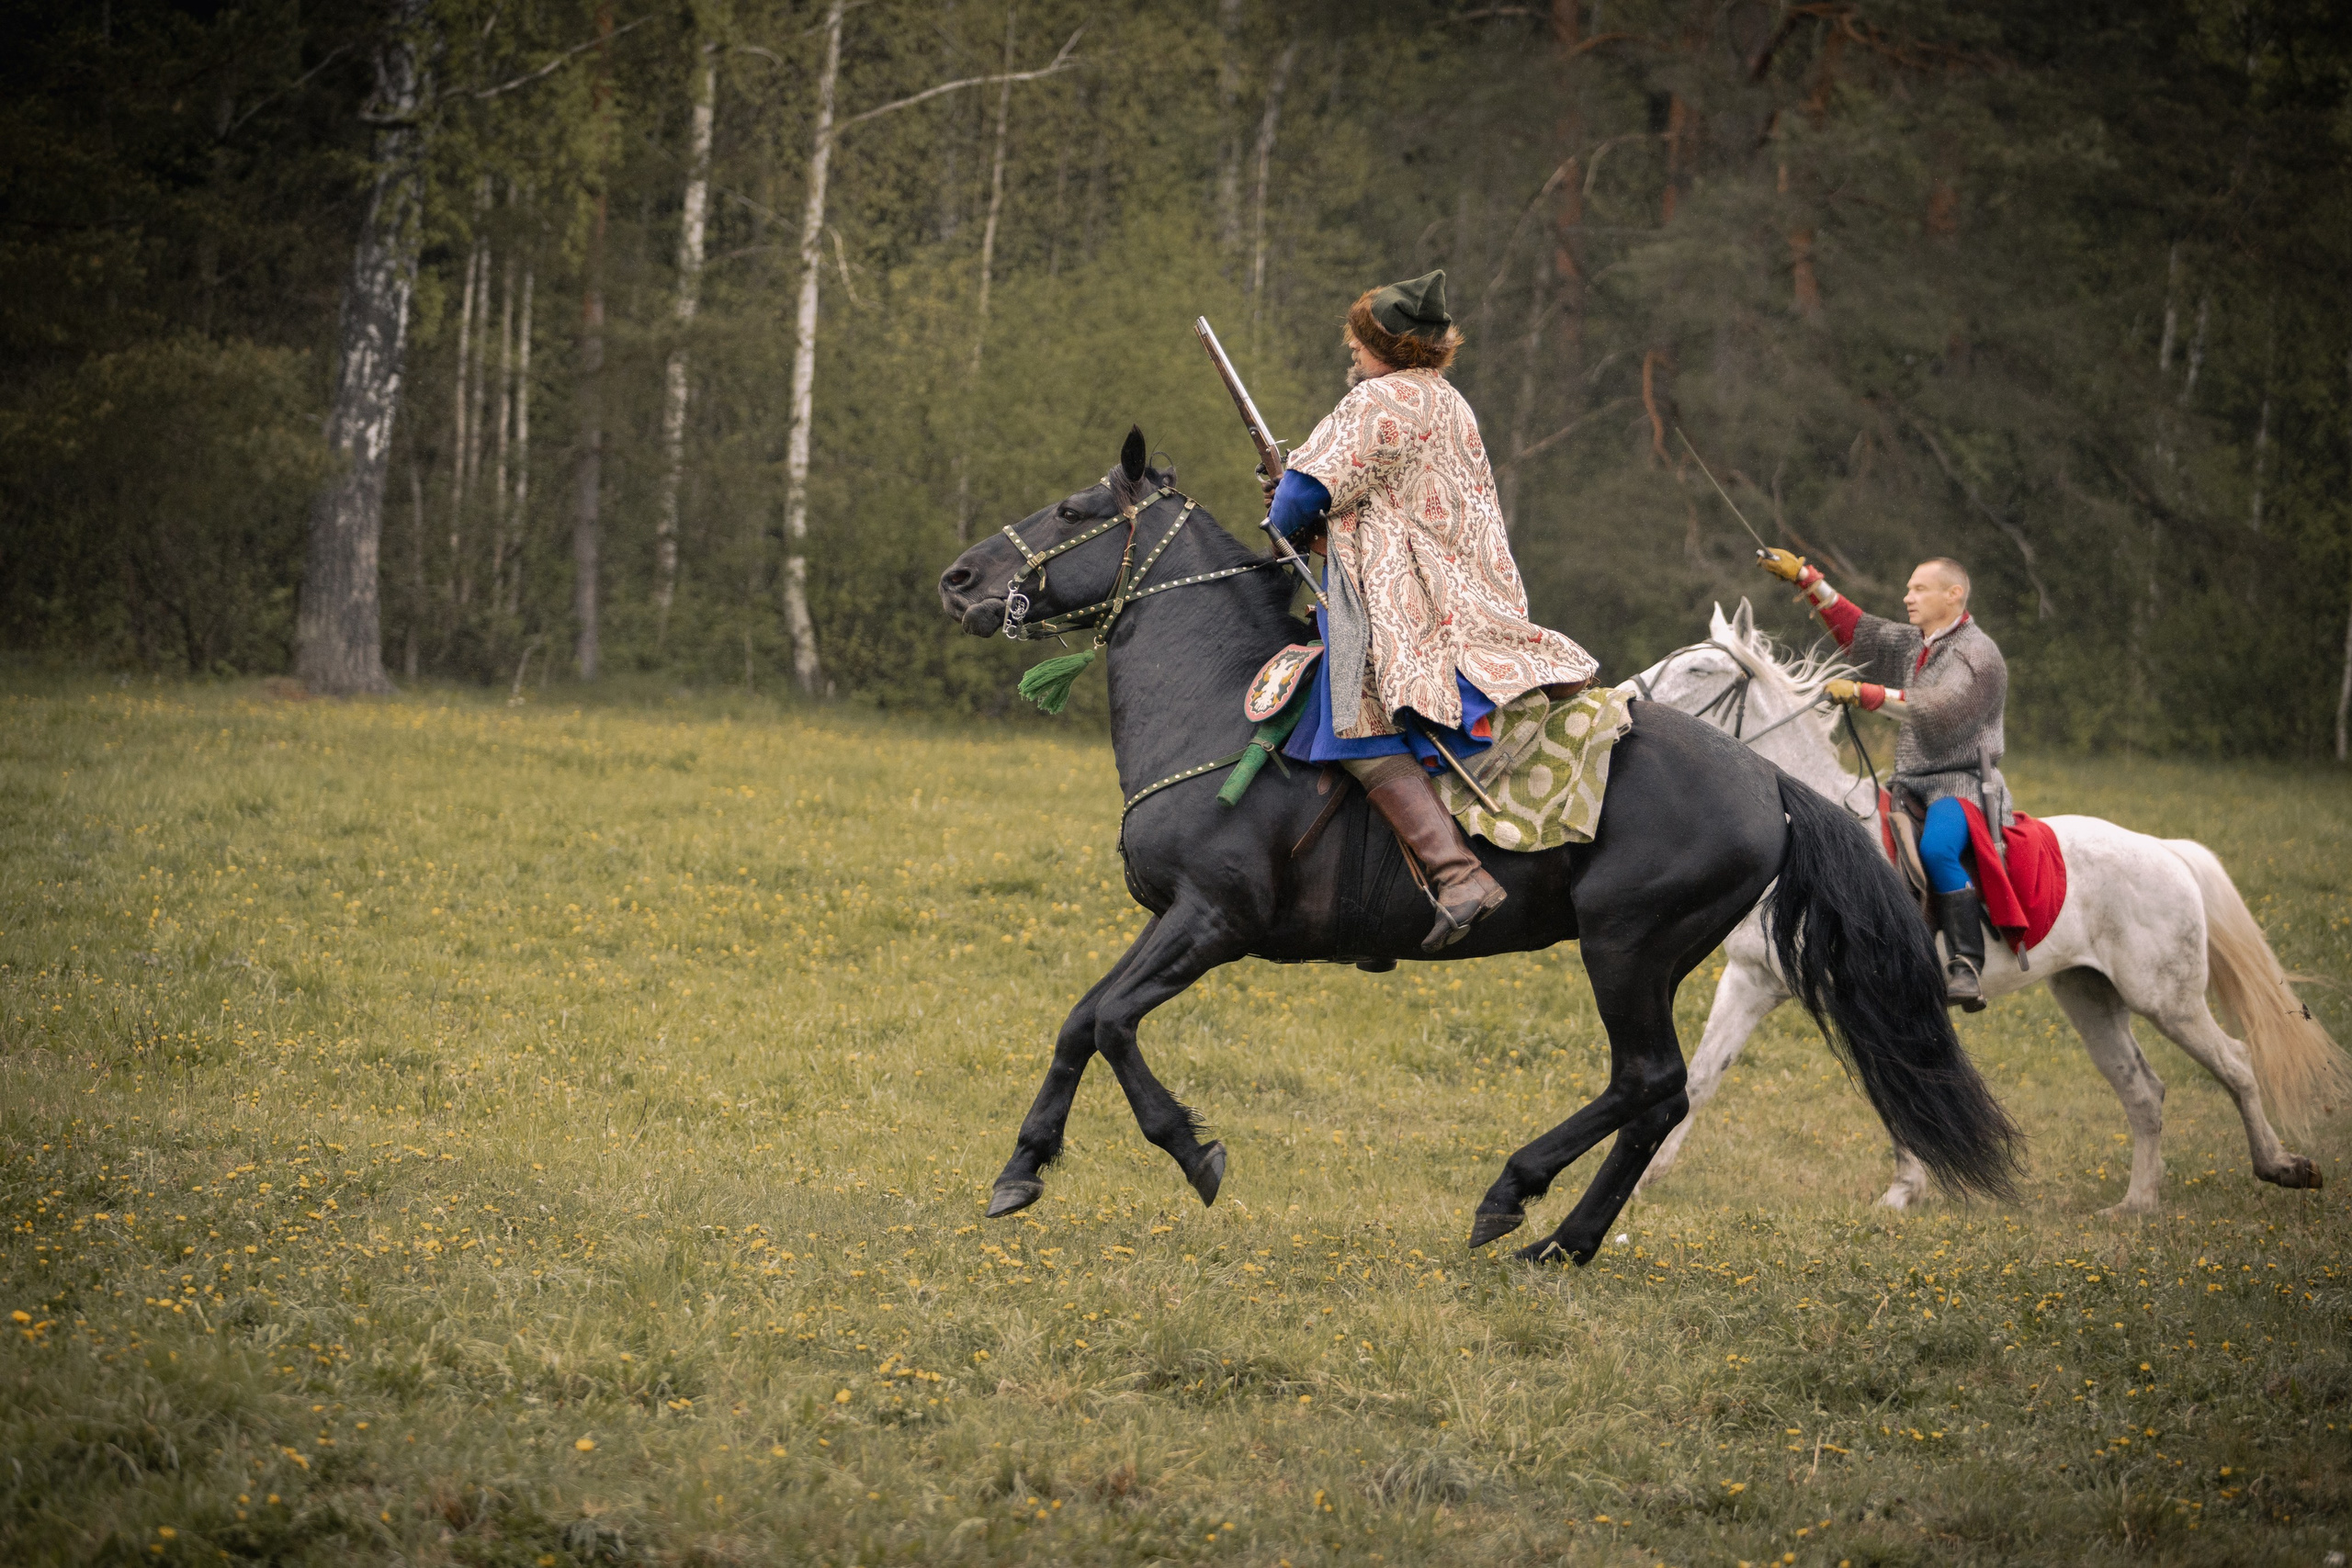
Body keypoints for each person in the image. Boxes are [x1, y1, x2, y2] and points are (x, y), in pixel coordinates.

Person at [1263, 269, 1598, 951]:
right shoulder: (1451, 401)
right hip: (1465, 596)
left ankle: (1457, 875)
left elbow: (1298, 499)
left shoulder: (1374, 400)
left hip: (1400, 603)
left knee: (1352, 721)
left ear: (1387, 344)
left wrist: (1284, 499)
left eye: (1360, 339)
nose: (1351, 350)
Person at [1756, 547, 2007, 1008]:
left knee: (1936, 848)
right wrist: (1808, 580)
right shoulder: (1918, 642)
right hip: (1908, 783)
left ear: (1953, 595)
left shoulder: (1978, 653)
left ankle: (1966, 963)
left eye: (1919, 589)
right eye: (1908, 588)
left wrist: (1867, 693)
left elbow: (1940, 709)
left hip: (1960, 784)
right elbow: (1862, 633)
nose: (1907, 597)